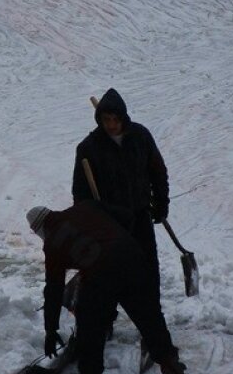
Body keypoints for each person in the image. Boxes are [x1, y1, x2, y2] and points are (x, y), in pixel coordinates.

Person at [26, 202, 187, 374]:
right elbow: (124, 213)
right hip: (132, 254)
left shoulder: (52, 243)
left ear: (39, 228)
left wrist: (51, 329)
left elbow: (54, 289)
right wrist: (118, 238)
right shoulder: (82, 209)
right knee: (147, 316)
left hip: (102, 271)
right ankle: (170, 364)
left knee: (89, 318)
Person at [72, 89, 169, 307]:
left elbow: (157, 171)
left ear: (124, 117)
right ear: (100, 119)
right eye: (106, 120)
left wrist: (161, 202)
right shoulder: (89, 148)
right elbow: (80, 191)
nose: (112, 125)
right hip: (109, 222)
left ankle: (152, 323)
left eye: (116, 119)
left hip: (139, 214)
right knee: (109, 272)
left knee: (147, 269)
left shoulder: (140, 137)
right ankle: (105, 320)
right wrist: (88, 223)